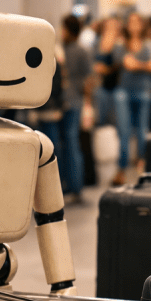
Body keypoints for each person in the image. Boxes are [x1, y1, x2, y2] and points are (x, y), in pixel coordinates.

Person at [42, 14, 91, 204]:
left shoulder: (65, 51)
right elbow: (89, 80)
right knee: (70, 143)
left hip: (67, 102)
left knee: (66, 144)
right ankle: (74, 187)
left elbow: (87, 81)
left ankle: (69, 186)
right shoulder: (80, 50)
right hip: (73, 101)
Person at [112, 12, 151, 185]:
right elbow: (127, 64)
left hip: (144, 91)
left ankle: (143, 166)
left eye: (137, 22)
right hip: (123, 91)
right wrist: (144, 65)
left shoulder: (150, 44)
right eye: (131, 22)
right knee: (124, 132)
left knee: (143, 132)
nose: (134, 26)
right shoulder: (120, 44)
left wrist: (138, 65)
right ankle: (121, 169)